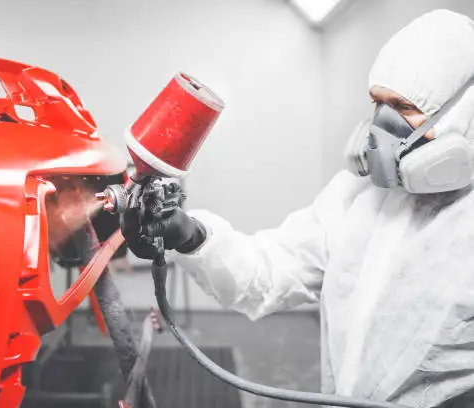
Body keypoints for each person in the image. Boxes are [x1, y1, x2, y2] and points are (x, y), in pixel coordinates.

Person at [121, 9, 474, 408]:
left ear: (463, 115)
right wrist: (190, 236)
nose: (381, 127)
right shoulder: (357, 197)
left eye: (404, 107)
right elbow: (272, 273)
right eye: (376, 103)